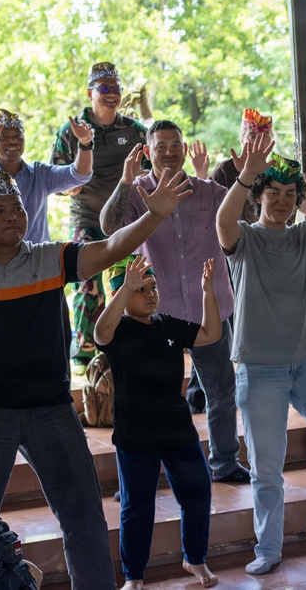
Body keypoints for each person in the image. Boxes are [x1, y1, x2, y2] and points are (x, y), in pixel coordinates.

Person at [0, 154, 191, 590]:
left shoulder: (48, 258)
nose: (13, 216)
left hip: (51, 410)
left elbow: (113, 248)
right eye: (0, 210)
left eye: (17, 208)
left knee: (83, 514)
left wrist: (155, 216)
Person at [216, 129, 306, 574]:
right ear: (259, 197)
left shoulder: (305, 236)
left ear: (298, 200)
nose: (281, 201)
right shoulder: (242, 239)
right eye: (273, 192)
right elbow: (221, 223)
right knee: (266, 467)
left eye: (289, 194)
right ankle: (269, 548)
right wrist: (246, 174)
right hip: (259, 368)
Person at [99, 119, 252, 484]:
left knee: (221, 391)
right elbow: (108, 227)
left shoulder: (209, 192)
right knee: (150, 396)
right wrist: (124, 181)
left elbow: (245, 217)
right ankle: (141, 473)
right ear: (147, 152)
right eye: (161, 146)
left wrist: (247, 172)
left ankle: (225, 463)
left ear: (184, 149)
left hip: (209, 309)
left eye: (175, 145)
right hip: (156, 313)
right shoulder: (136, 194)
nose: (169, 152)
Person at [93, 255, 221, 590]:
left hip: (177, 430)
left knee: (198, 491)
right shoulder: (117, 332)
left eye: (153, 287)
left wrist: (208, 291)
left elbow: (210, 333)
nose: (151, 295)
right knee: (138, 507)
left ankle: (195, 559)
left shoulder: (169, 325)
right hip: (136, 435)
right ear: (121, 294)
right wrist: (124, 288)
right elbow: (100, 331)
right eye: (141, 290)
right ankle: (134, 576)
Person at [52, 61, 148, 373]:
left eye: (116, 89)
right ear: (90, 92)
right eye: (104, 88)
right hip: (87, 219)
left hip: (125, 221)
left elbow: (155, 162)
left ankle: (126, 344)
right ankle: (83, 354)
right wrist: (71, 186)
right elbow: (58, 175)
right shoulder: (71, 130)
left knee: (129, 281)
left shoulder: (133, 130)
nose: (111, 94)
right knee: (86, 283)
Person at [0, 109, 92, 243]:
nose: (13, 141)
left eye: (18, 135)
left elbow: (79, 175)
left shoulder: (39, 174)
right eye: (4, 136)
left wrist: (85, 143)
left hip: (37, 259)